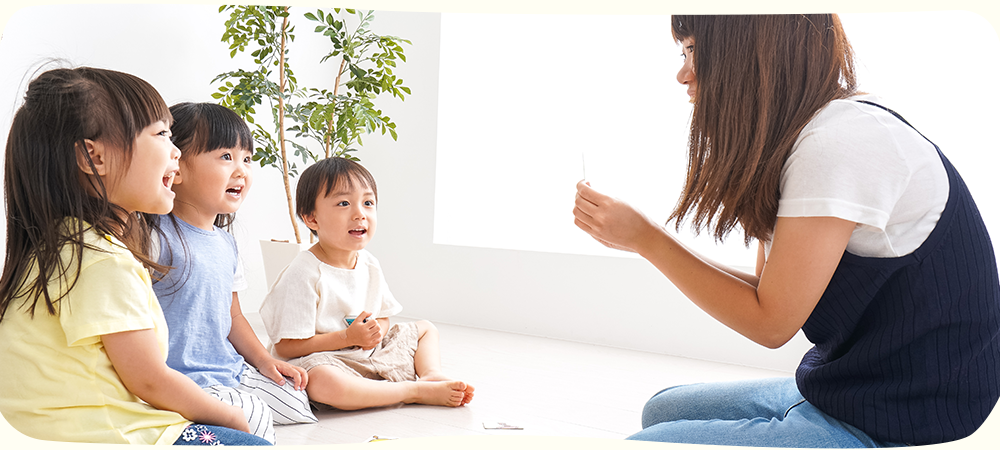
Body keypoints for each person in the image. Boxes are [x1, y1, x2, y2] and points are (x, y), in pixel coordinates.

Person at [573, 14, 999, 448]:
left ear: (750, 52)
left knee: (643, 440)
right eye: (682, 53)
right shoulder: (796, 138)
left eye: (695, 52)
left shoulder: (839, 143)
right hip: (853, 381)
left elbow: (770, 323)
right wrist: (642, 240)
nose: (682, 74)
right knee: (659, 410)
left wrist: (647, 238)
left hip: (908, 404)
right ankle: (811, 410)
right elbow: (766, 287)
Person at [0, 67, 270, 445]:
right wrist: (230, 417)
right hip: (112, 434)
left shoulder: (61, 245)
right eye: (161, 134)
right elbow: (149, 379)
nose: (176, 152)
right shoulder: (102, 259)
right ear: (94, 158)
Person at [149, 102, 317, 444]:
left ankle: (233, 405)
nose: (241, 170)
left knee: (296, 401)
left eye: (247, 159)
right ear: (177, 165)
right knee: (253, 418)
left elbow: (234, 314)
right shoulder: (155, 236)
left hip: (228, 368)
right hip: (182, 377)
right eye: (226, 156)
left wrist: (264, 361)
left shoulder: (226, 242)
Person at [259, 157, 475, 411]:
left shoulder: (369, 263)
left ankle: (430, 375)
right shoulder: (303, 272)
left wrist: (373, 334)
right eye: (343, 203)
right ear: (312, 219)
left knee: (425, 329)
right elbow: (286, 347)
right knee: (323, 382)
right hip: (326, 360)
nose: (359, 213)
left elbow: (383, 318)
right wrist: (345, 337)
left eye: (368, 203)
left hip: (366, 355)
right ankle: (412, 390)